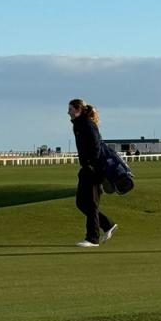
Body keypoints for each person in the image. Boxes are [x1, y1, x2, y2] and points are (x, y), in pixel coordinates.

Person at [68, 98, 117, 248]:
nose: (68, 112)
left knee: (91, 203)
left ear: (78, 110)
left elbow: (96, 147)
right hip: (86, 169)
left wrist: (91, 166)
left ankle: (92, 239)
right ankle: (107, 224)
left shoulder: (88, 125)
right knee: (81, 202)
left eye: (70, 109)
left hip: (95, 169)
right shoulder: (78, 125)